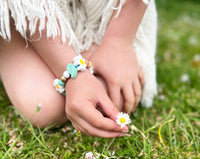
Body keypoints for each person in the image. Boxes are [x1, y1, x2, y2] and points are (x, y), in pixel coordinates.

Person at [0, 0, 157, 138]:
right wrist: (75, 73)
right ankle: (10, 34)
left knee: (116, 88)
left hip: (112, 11)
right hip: (32, 15)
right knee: (44, 107)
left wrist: (119, 41)